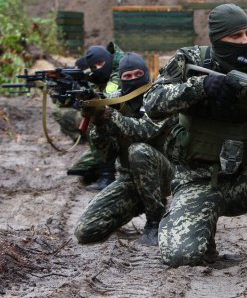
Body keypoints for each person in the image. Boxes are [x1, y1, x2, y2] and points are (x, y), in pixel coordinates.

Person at [144, 3, 247, 282]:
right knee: (181, 257)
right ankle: (197, 226)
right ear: (217, 38)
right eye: (236, 37)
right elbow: (152, 103)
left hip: (241, 181)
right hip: (195, 182)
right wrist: (200, 87)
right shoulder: (189, 61)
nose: (244, 42)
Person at [74, 52, 175, 246]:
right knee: (85, 231)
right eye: (127, 77)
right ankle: (138, 204)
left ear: (146, 74)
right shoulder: (117, 104)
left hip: (167, 177)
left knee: (139, 150)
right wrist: (98, 122)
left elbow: (144, 131)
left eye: (138, 74)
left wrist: (108, 114)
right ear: (120, 80)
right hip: (131, 181)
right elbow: (106, 153)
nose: (133, 80)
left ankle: (155, 222)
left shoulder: (159, 98)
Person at [75, 42, 124, 191]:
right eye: (94, 67)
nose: (98, 69)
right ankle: (103, 170)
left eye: (100, 64)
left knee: (100, 126)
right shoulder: (102, 75)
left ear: (107, 58)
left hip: (133, 121)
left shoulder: (119, 72)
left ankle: (108, 175)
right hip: (122, 118)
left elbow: (109, 97)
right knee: (80, 170)